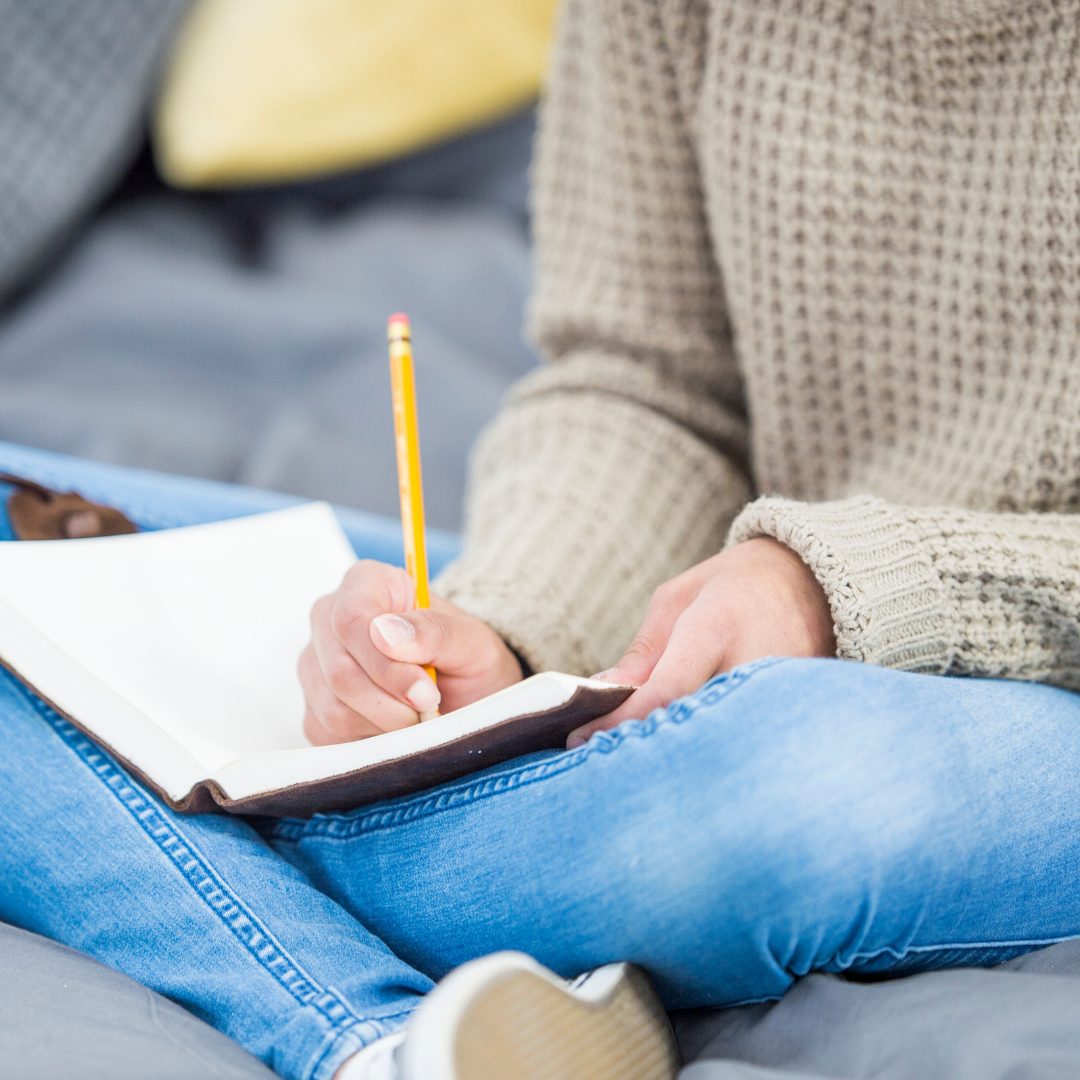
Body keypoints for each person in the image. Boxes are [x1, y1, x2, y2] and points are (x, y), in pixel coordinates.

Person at [3, 1, 1080, 1078]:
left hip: (989, 688)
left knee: (791, 781)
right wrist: (504, 624)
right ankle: (380, 1045)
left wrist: (848, 590)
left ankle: (138, 831)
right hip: (725, 615)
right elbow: (641, 384)